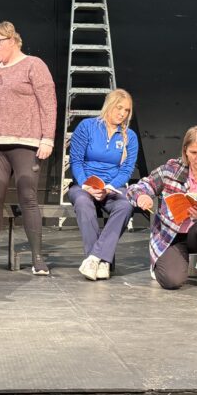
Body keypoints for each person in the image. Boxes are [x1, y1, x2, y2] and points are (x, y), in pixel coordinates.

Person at [0, 21, 57, 276]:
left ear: (14, 40)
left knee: (28, 196)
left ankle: (38, 258)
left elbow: (48, 103)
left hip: (26, 142)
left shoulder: (33, 65)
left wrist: (47, 139)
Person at [127, 126, 197, 290]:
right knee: (171, 281)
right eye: (193, 152)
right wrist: (141, 196)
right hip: (172, 234)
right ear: (185, 151)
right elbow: (139, 187)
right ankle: (163, 263)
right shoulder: (172, 169)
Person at [67, 88, 139, 280]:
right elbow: (76, 160)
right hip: (84, 186)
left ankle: (95, 259)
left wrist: (110, 187)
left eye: (127, 110)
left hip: (112, 187)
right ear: (109, 105)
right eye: (119, 108)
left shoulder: (129, 136)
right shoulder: (87, 126)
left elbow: (126, 169)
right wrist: (86, 185)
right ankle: (102, 260)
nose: (122, 113)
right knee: (83, 203)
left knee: (125, 205)